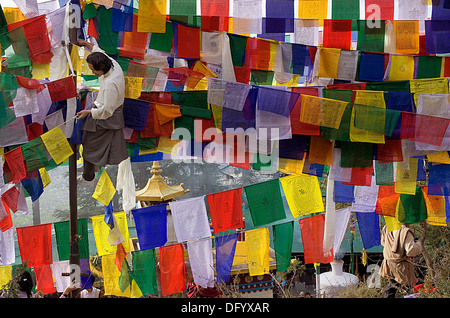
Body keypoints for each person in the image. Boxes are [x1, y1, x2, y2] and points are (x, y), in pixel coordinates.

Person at [75, 39, 128, 187]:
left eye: (94, 70)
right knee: (86, 138)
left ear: (102, 67)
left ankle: (89, 175)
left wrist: (88, 112)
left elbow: (107, 111)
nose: (93, 73)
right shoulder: (111, 63)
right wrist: (85, 43)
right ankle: (90, 169)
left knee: (89, 142)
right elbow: (97, 50)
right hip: (100, 108)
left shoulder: (111, 84)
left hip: (106, 115)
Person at [379, 222, 425, 298]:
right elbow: (411, 250)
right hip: (401, 266)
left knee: (391, 287)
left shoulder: (387, 227)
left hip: (389, 263)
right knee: (409, 289)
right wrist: (419, 243)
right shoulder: (405, 231)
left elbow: (383, 242)